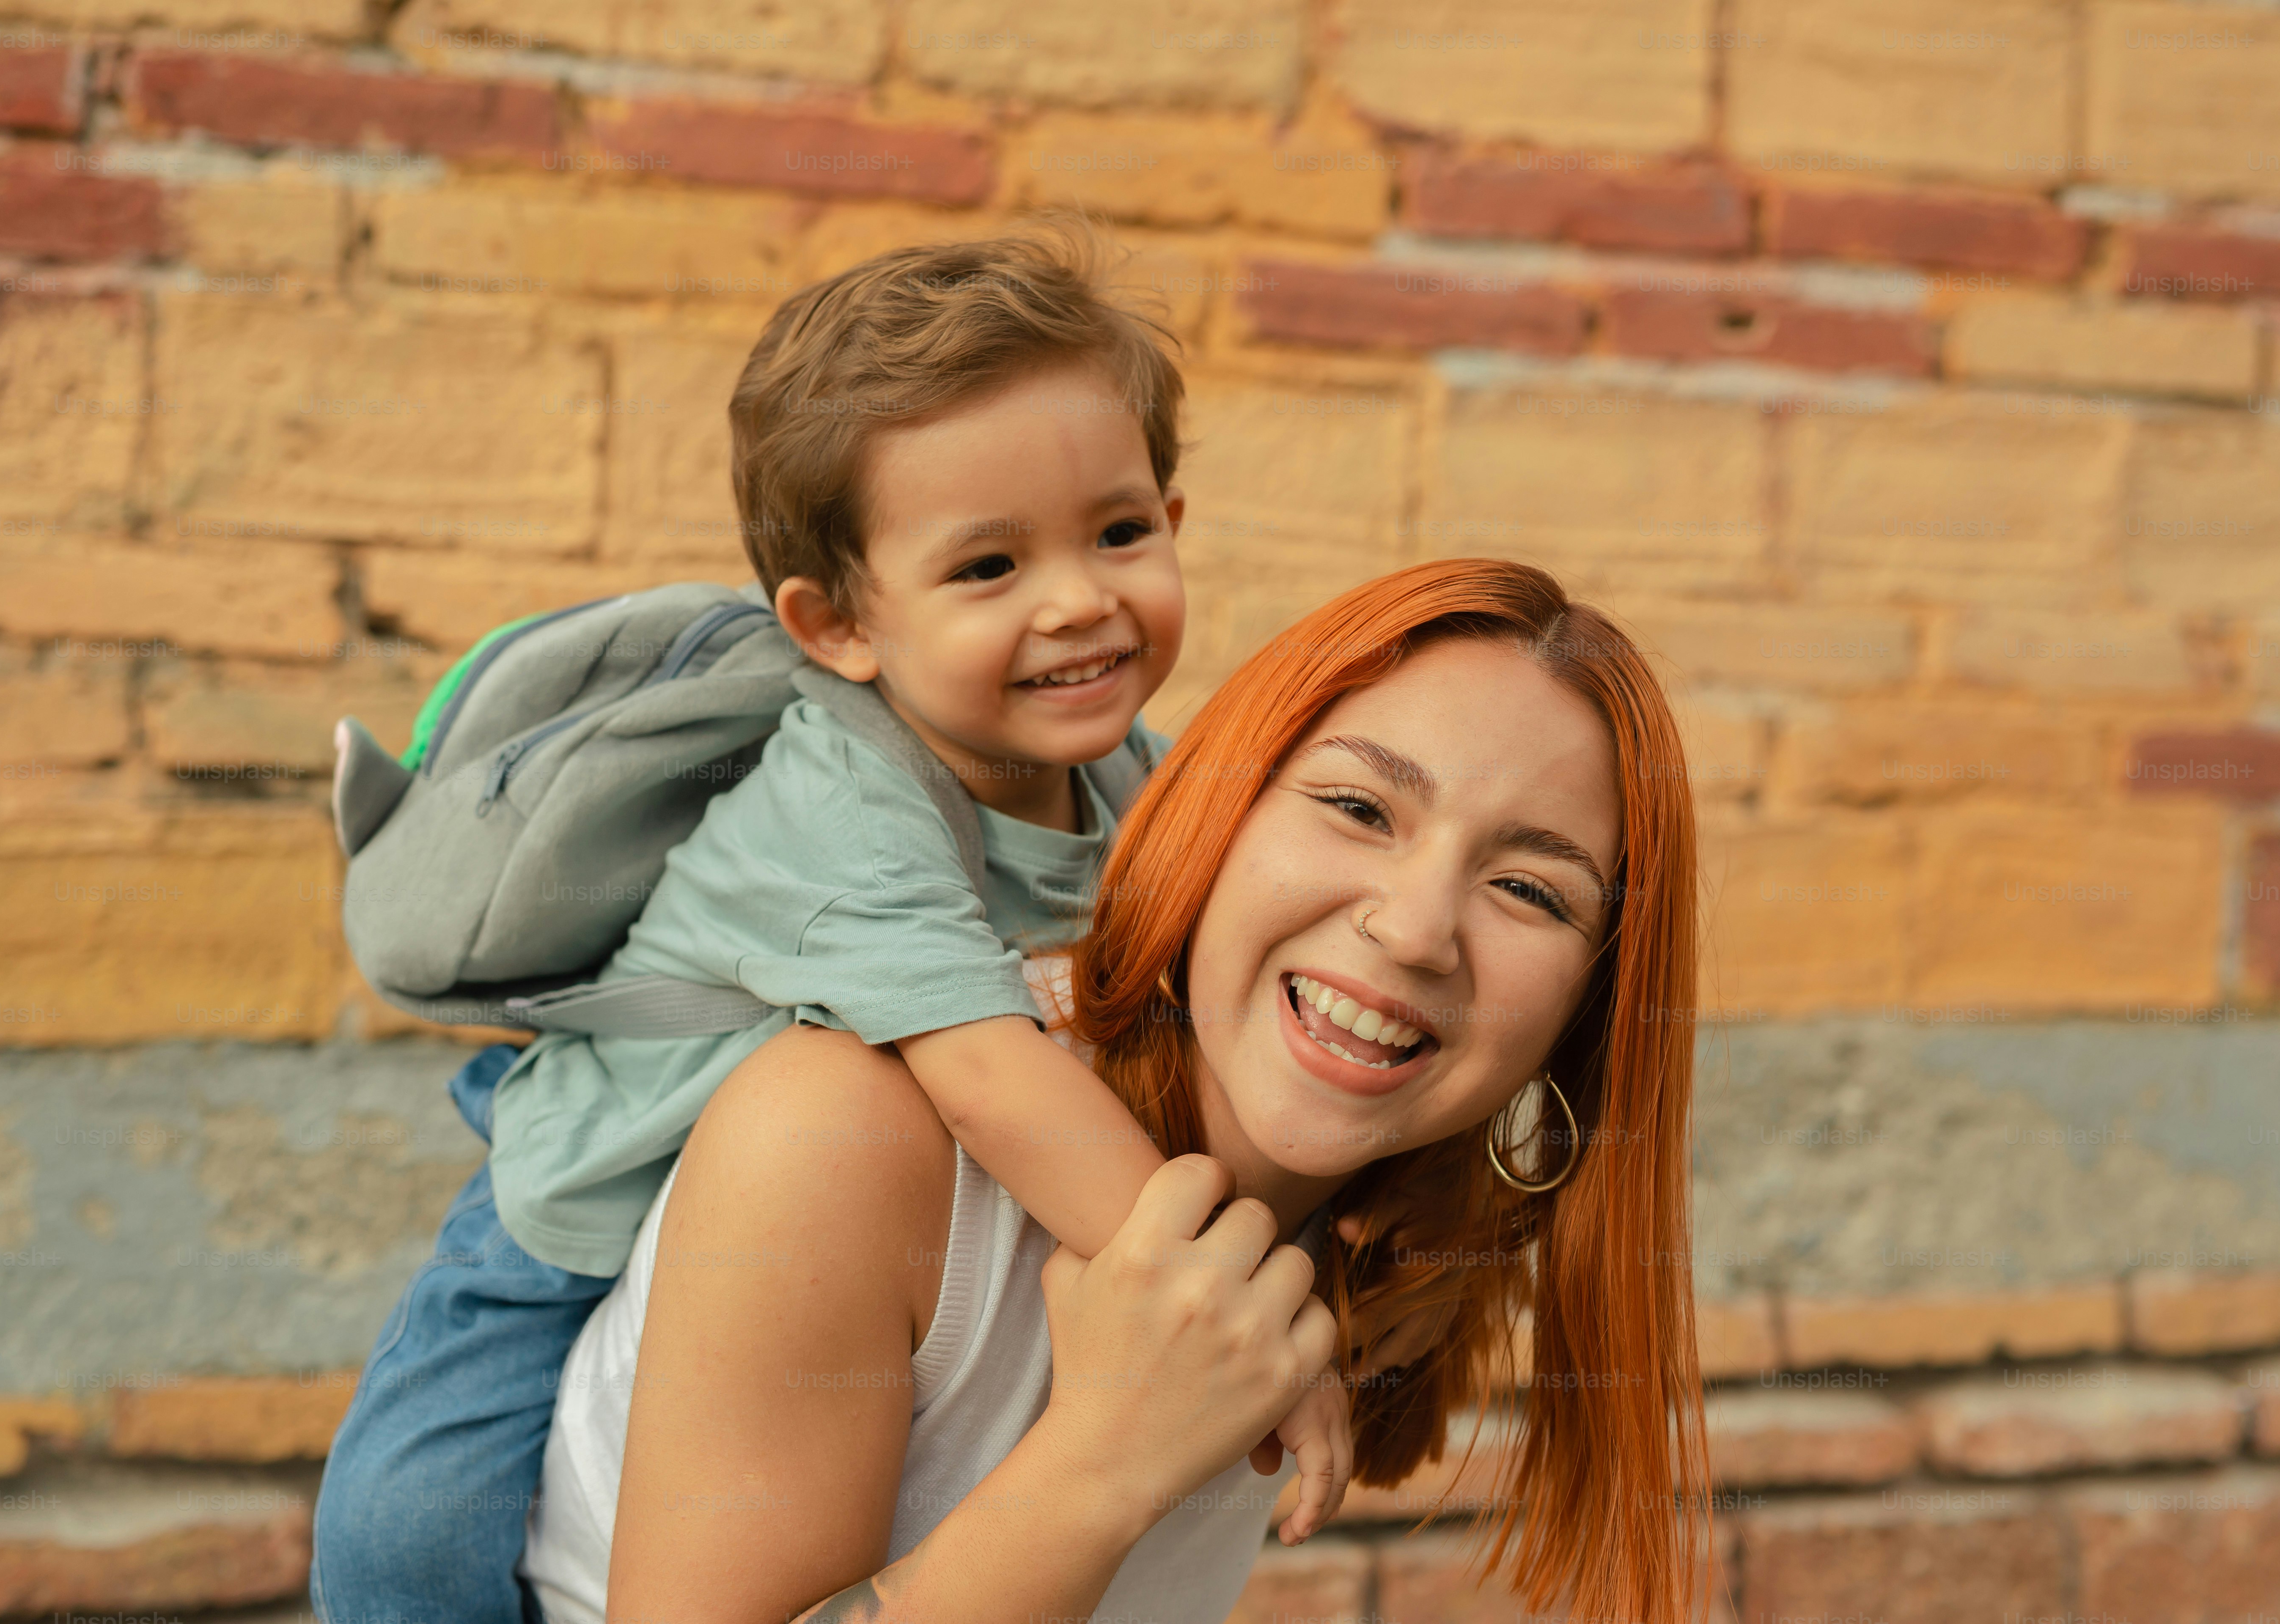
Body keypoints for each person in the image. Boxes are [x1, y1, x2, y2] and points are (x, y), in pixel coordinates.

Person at [310, 225, 1349, 1622]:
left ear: (1175, 519)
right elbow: (989, 1079)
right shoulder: (849, 803)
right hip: (596, 1177)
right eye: (989, 568)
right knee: (402, 1544)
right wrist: (1238, 1308)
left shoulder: (1123, 768)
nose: (1079, 600)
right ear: (841, 627)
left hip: (810, 1240)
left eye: (1119, 531)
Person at [521, 559, 1713, 1624]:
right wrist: (1106, 1458)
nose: (1411, 931)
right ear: (1211, 812)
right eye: (1358, 808)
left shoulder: (1375, 1245)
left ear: (1580, 1020)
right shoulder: (851, 1131)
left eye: (1531, 893)